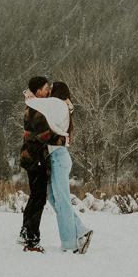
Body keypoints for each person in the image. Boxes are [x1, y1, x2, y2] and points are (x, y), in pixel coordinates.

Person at [42, 81, 93, 254]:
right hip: (56, 157)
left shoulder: (59, 108)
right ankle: (80, 230)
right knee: (52, 197)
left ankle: (69, 244)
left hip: (58, 157)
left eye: (50, 91)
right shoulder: (62, 108)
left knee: (62, 201)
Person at [18, 76, 54, 252]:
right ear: (38, 90)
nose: (48, 91)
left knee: (34, 196)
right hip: (36, 158)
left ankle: (26, 231)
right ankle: (32, 239)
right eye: (46, 88)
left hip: (29, 157)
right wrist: (62, 136)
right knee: (39, 198)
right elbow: (45, 135)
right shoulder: (37, 110)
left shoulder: (31, 105)